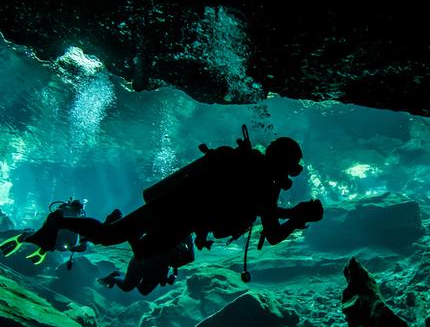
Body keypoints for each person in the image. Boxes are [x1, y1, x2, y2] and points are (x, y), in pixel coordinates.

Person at [6, 126, 324, 280]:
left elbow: (258, 219)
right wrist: (297, 219)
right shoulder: (265, 188)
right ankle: (60, 222)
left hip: (173, 207)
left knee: (117, 239)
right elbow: (273, 234)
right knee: (121, 241)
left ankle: (60, 221)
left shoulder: (250, 172)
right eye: (291, 167)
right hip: (180, 216)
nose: (289, 174)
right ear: (284, 162)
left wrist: (293, 215)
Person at [97, 234, 195, 295]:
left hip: (152, 264)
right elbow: (189, 257)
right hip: (144, 261)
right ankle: (114, 277)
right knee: (128, 287)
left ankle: (118, 276)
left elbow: (190, 257)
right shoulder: (184, 235)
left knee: (142, 290)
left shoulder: (186, 236)